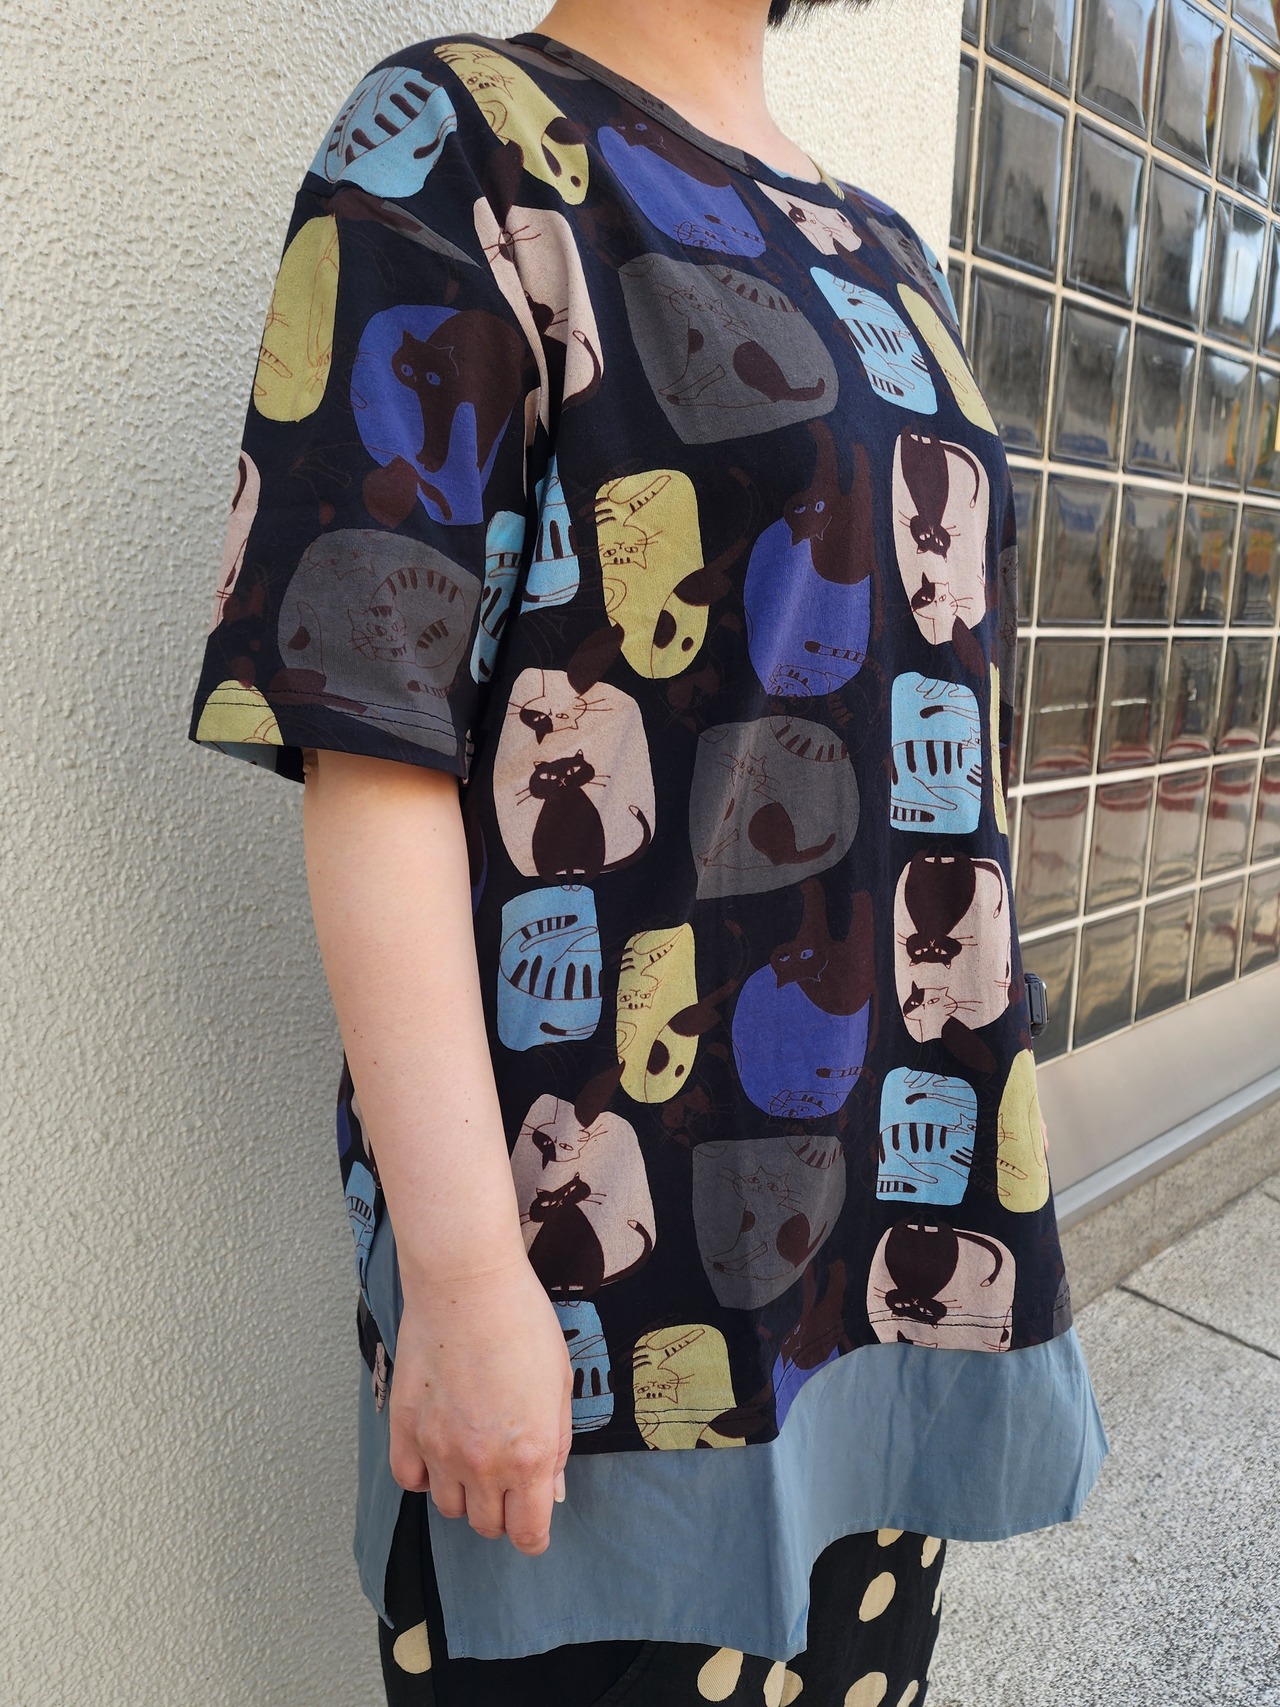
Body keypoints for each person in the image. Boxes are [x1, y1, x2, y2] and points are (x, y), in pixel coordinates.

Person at [188, 1, 1110, 1701]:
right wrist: (466, 1280)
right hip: (606, 1307)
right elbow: (369, 733)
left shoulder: (884, 247)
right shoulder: (462, 143)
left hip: (884, 1252)